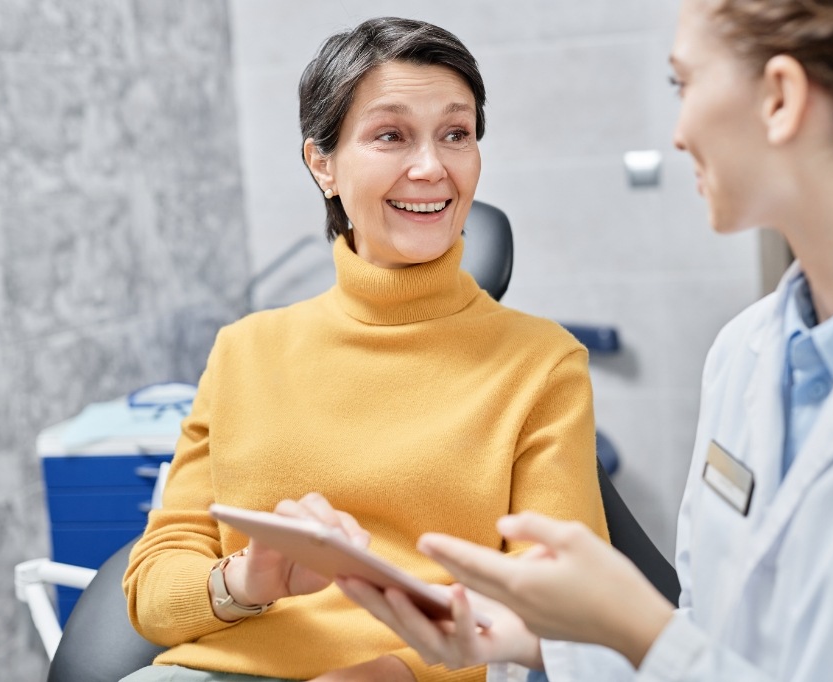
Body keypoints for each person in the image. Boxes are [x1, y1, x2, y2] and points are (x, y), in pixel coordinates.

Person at [336, 0, 833, 679]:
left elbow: (677, 650)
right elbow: (709, 641)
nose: (677, 134)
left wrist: (637, 629)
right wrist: (539, 643)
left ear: (780, 99)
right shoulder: (744, 355)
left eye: (684, 84)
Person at [120, 17, 610, 682]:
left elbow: (562, 613)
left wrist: (400, 671)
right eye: (391, 135)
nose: (432, 167)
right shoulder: (245, 351)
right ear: (322, 163)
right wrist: (244, 581)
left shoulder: (541, 364)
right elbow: (152, 586)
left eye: (456, 134)